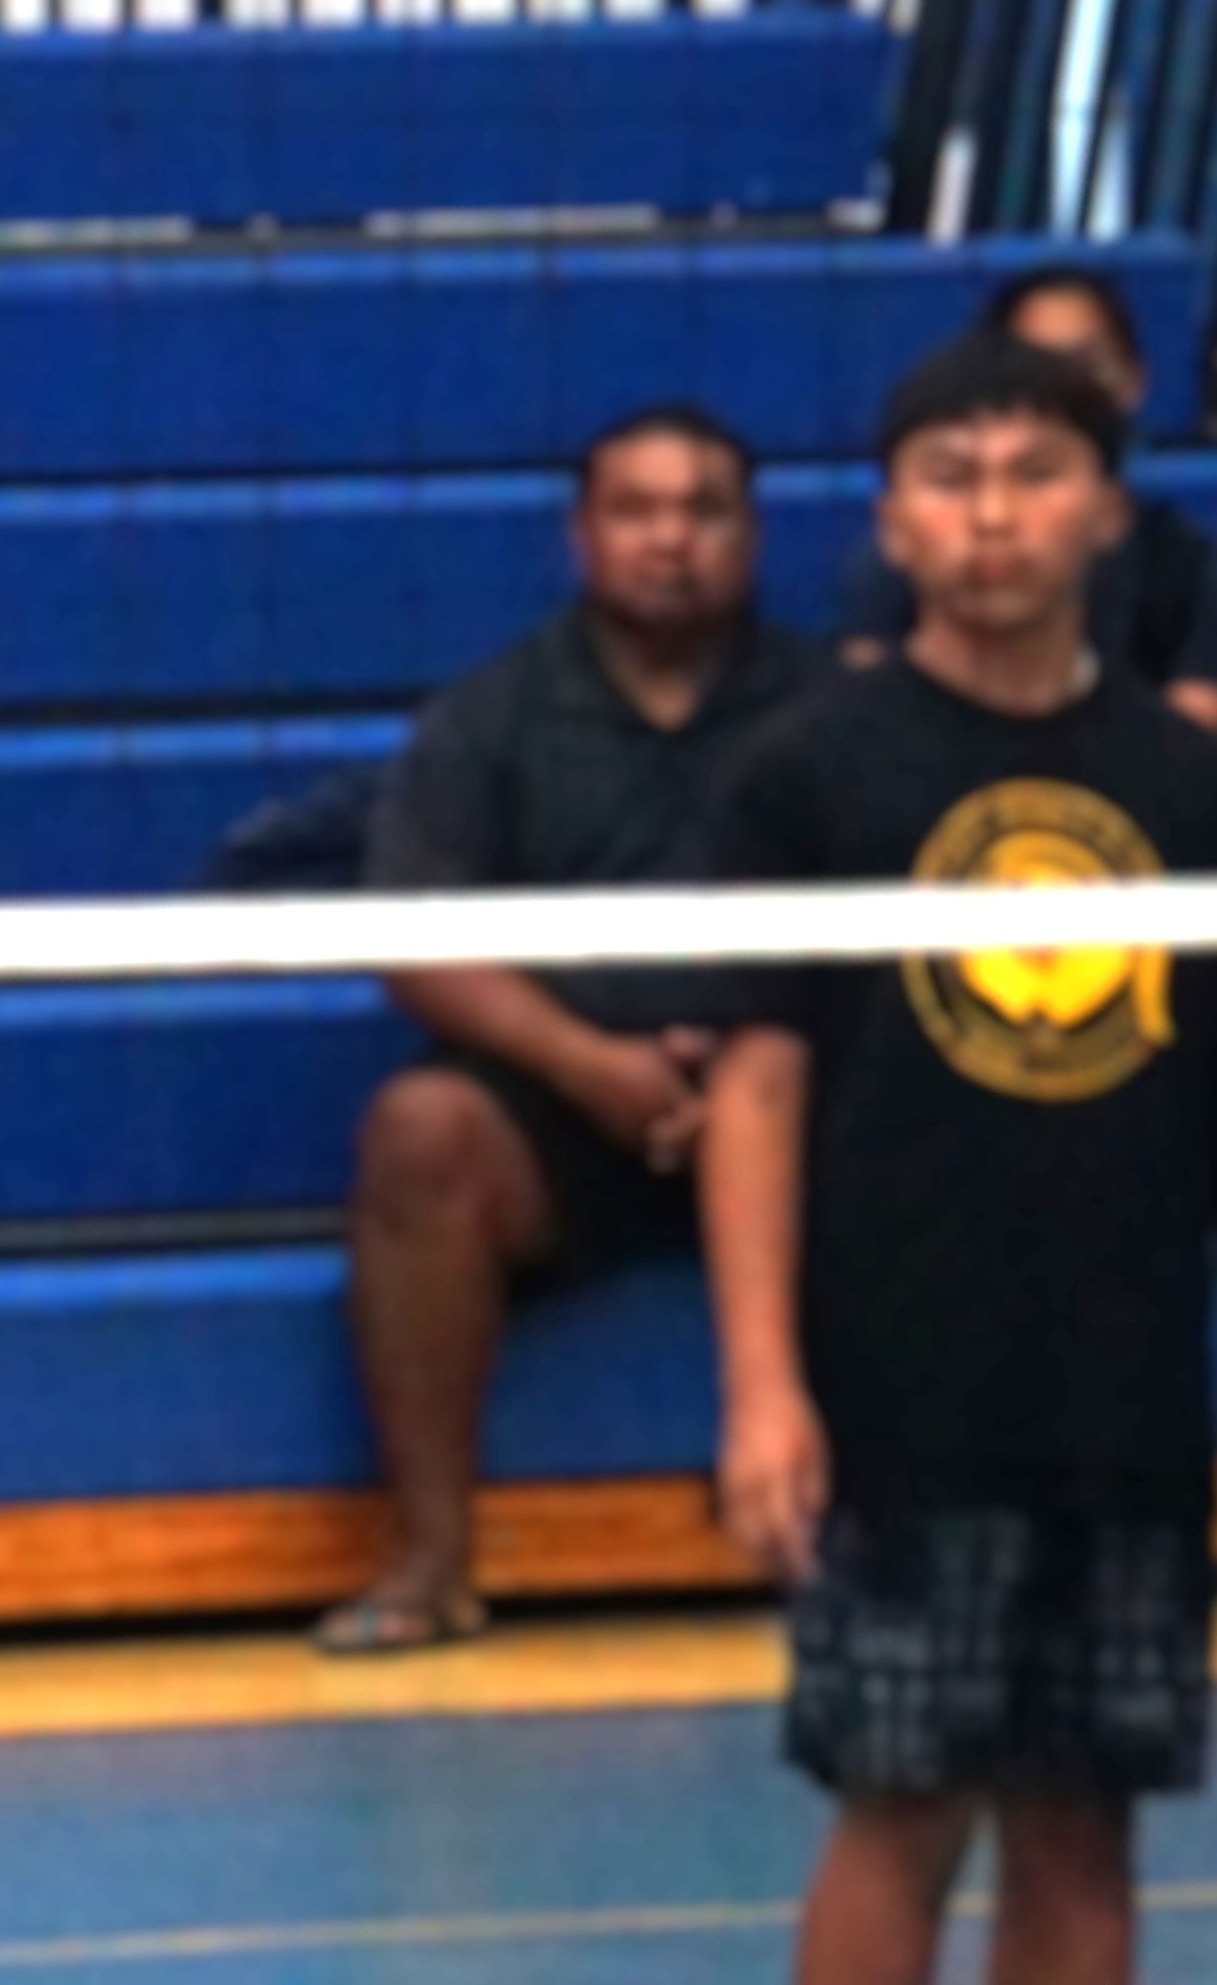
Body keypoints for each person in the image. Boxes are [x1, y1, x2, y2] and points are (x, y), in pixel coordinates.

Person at [705, 328, 1217, 1985]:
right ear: (890, 524)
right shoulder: (808, 776)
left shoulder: (1197, 790)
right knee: (901, 1799)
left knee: (1084, 1818)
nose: (994, 518)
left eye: (1037, 476)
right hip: (903, 1389)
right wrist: (761, 1384)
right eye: (951, 482)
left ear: (1110, 511)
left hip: (1123, 1398)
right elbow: (755, 1084)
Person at [319, 404, 817, 1655]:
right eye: (637, 512)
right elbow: (414, 942)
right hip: (569, 1114)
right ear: (581, 534)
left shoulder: (832, 708)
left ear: (750, 534)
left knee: (925, 1110)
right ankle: (433, 1561)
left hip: (797, 1103)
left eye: (701, 511)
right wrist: (589, 1066)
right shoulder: (489, 716)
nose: (670, 541)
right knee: (420, 1130)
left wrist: (766, 1055)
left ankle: (878, 1539)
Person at [832, 269, 1210, 687]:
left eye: (1089, 364)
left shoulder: (1186, 561)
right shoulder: (911, 562)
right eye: (1038, 364)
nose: (994, 517)